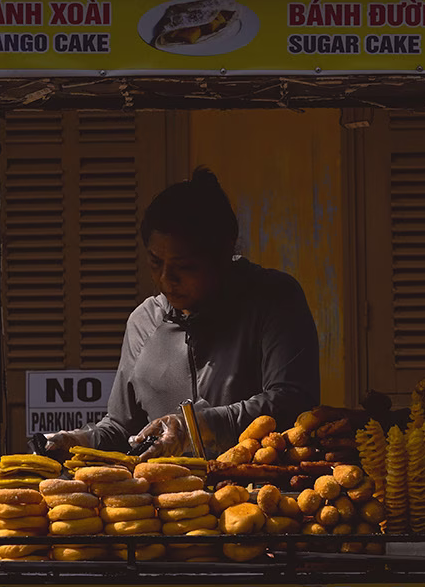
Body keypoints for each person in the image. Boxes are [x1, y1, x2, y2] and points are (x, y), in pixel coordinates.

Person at [44, 167, 320, 461]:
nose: (166, 280)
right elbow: (122, 430)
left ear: (224, 254)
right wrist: (78, 440)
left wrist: (195, 427)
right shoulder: (144, 321)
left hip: (256, 494)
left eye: (185, 267)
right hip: (167, 502)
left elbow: (292, 401)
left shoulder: (273, 299)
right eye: (155, 262)